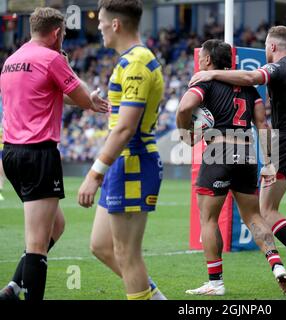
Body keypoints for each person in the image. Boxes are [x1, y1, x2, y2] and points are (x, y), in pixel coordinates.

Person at [190, 25, 286, 291]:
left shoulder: (279, 68)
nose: (264, 50)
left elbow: (252, 77)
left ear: (272, 46)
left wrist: (212, 73)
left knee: (267, 210)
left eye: (265, 46)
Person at [0, 7, 109, 301]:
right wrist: (71, 72)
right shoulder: (51, 58)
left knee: (56, 226)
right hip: (38, 153)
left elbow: (49, 95)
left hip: (11, 154)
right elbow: (83, 98)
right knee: (36, 243)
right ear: (57, 33)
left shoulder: (12, 60)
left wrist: (85, 100)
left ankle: (12, 288)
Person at [177, 39, 286, 297]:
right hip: (246, 151)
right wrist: (269, 163)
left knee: (208, 219)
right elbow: (262, 125)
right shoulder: (250, 91)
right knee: (254, 216)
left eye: (201, 58)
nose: (199, 62)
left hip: (219, 149)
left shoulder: (204, 81)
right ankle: (277, 266)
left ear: (208, 60)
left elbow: (186, 106)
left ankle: (216, 283)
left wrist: (183, 130)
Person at [78, 0, 166, 300]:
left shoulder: (137, 62)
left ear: (115, 24)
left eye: (101, 22)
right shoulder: (130, 60)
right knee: (101, 246)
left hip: (134, 161)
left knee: (127, 254)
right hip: (125, 162)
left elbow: (126, 128)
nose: (98, 27)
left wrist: (94, 173)